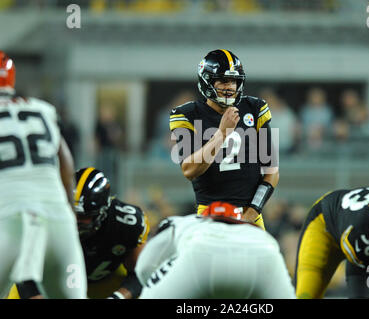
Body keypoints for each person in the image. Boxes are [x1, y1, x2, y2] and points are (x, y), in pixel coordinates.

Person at [0, 51, 87, 299]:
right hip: (58, 222)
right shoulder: (41, 109)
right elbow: (66, 167)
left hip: (9, 222)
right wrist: (69, 217)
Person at [169, 49, 279, 229]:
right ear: (207, 81)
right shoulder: (187, 114)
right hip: (209, 214)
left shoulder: (255, 108)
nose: (229, 87)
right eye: (223, 80)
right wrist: (221, 134)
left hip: (249, 214)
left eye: (234, 81)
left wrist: (251, 212)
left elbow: (272, 171)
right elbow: (189, 170)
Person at [8, 167, 150, 299]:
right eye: (70, 211)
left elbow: (140, 273)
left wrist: (118, 297)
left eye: (83, 216)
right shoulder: (44, 218)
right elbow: (24, 273)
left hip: (104, 283)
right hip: (49, 282)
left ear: (102, 212)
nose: (74, 220)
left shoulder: (126, 223)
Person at [135, 201, 296, 299]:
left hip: (201, 254)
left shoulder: (189, 222)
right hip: (264, 255)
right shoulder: (258, 233)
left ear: (204, 217)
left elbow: (144, 266)